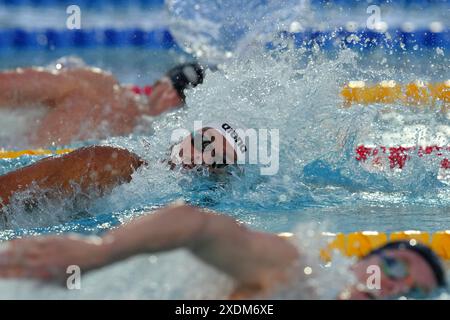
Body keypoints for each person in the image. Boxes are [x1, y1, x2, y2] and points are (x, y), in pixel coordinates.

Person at [0, 202, 445, 299]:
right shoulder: (296, 279)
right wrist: (97, 252)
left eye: (413, 295)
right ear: (362, 260)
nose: (393, 286)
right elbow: (199, 224)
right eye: (393, 264)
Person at [0, 122, 247, 210]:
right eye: (202, 142)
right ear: (184, 136)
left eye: (218, 160)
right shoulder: (111, 162)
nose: (202, 158)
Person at [0, 59, 205, 147]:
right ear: (158, 83)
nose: (169, 98)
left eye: (181, 97)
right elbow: (8, 86)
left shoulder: (154, 143)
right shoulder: (97, 87)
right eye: (171, 87)